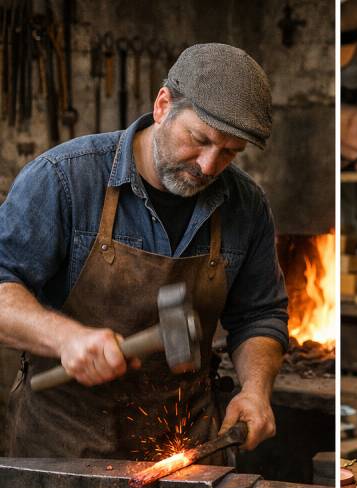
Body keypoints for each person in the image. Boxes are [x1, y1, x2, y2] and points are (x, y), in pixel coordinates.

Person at [0, 42, 288, 465]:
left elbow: (259, 315)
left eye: (229, 152)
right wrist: (66, 338)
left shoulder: (245, 204)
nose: (208, 166)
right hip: (64, 449)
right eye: (199, 139)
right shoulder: (64, 178)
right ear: (162, 105)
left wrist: (255, 391)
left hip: (184, 449)